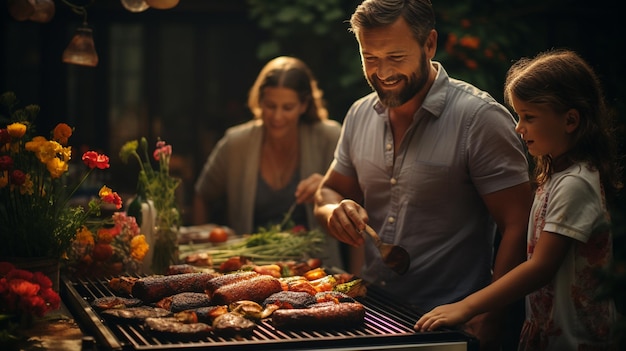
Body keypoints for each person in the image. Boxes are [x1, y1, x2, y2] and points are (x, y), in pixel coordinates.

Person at [313, 0, 532, 348]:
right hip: (370, 313)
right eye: (370, 58)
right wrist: (334, 211)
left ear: (429, 44)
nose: (382, 72)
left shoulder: (480, 119)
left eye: (395, 57)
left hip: (451, 324)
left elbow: (519, 225)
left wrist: (490, 315)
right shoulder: (358, 115)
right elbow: (329, 192)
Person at [415, 49, 622, 350]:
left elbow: (540, 267)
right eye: (518, 115)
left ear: (570, 120)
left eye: (529, 117)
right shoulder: (555, 177)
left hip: (576, 340)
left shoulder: (575, 183)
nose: (518, 127)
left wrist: (469, 306)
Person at [194, 56, 345, 269]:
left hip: (317, 270)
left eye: (288, 107)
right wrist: (205, 256)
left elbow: (355, 204)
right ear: (259, 102)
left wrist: (327, 188)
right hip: (250, 270)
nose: (277, 116)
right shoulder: (236, 143)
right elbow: (203, 194)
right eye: (270, 105)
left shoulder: (329, 137)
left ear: (304, 105)